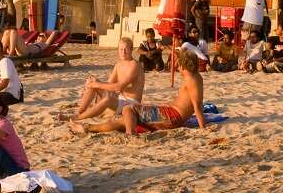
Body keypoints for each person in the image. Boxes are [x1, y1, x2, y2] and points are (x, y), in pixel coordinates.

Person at [71, 49, 209, 135]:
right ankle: (88, 128)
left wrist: (203, 127)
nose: (177, 68)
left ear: (184, 65)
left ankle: (130, 134)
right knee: (122, 119)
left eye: (178, 65)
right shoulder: (194, 77)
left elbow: (197, 105)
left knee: (128, 109)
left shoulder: (191, 79)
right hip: (171, 113)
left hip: (173, 117)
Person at [74, 37, 144, 120]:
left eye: (126, 49)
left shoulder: (135, 65)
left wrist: (97, 84)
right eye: (121, 49)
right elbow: (109, 84)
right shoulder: (118, 65)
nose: (123, 52)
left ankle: (78, 117)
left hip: (131, 103)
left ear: (131, 50)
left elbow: (119, 87)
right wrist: (95, 82)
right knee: (92, 84)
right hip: (120, 100)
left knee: (106, 97)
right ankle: (80, 112)